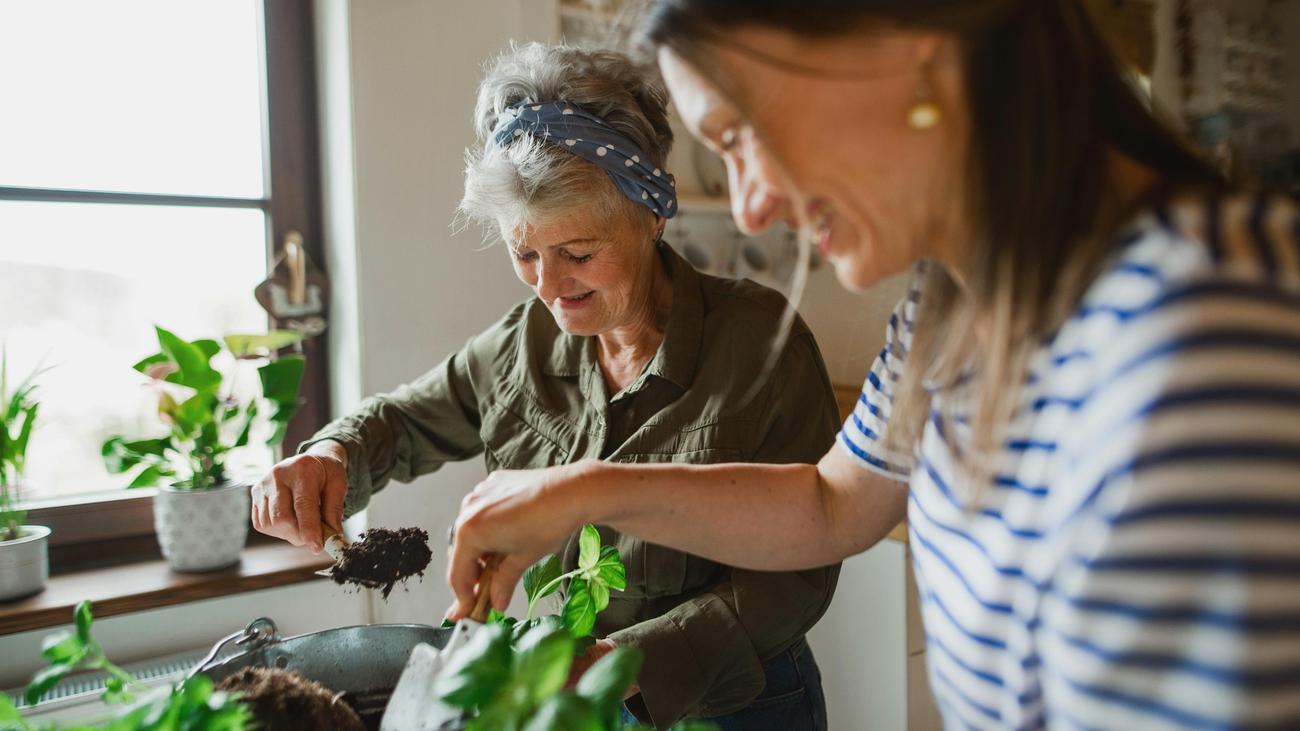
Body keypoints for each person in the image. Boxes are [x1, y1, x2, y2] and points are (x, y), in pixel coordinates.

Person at [446, 2, 1300, 729]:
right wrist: (583, 490)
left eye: (740, 134)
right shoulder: (948, 306)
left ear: (906, 48)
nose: (752, 204)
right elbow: (830, 502)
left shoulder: (1205, 332)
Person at [252, 43, 842, 730]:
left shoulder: (759, 345)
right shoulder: (520, 346)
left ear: (652, 215)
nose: (549, 286)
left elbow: (797, 576)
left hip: (735, 704)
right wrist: (329, 455)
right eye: (524, 252)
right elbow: (405, 421)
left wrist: (621, 660)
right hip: (580, 692)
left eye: (579, 254)